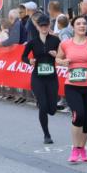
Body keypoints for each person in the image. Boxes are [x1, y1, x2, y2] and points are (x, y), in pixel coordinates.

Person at [56, 15, 87, 163]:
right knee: (78, 115)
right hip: (72, 85)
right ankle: (75, 148)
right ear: (73, 27)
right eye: (78, 23)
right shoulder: (66, 44)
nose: (82, 26)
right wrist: (63, 62)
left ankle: (81, 148)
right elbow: (57, 59)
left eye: (84, 24)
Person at [22, 13, 60, 144]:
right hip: (37, 77)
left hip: (51, 77)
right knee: (43, 106)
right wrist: (30, 61)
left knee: (52, 110)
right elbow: (23, 57)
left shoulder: (55, 40)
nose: (44, 28)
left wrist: (57, 55)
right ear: (37, 27)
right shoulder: (32, 42)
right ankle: (47, 135)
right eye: (41, 26)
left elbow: (63, 55)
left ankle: (47, 105)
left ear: (49, 26)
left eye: (46, 25)